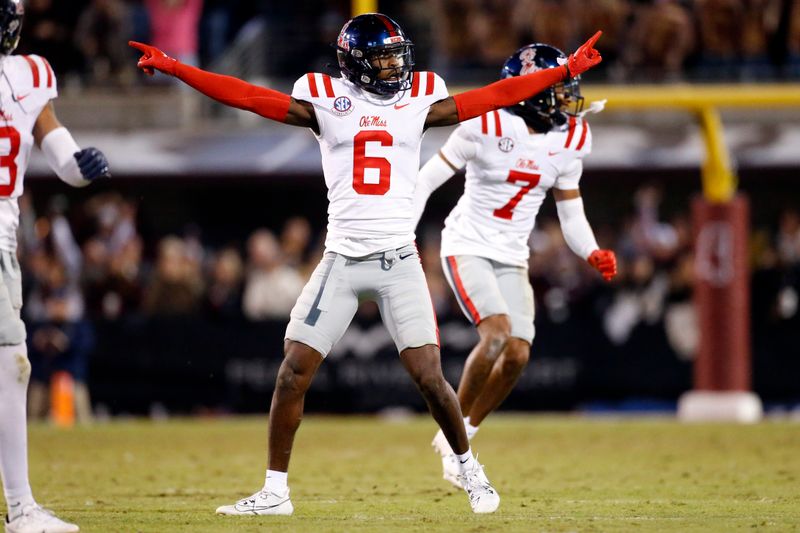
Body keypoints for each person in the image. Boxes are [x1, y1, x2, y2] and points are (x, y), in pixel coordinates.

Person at [130, 14, 603, 515]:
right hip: (342, 258)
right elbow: (246, 95)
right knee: (293, 371)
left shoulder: (418, 99)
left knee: (428, 375)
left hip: (399, 260)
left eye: (398, 56)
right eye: (383, 58)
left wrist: (562, 70)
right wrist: (180, 69)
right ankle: (274, 492)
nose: (396, 66)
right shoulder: (324, 101)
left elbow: (491, 97)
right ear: (355, 63)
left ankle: (469, 468)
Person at [412, 43, 617, 488]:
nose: (567, 96)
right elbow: (427, 179)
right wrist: (402, 228)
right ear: (530, 90)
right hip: (466, 244)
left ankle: (467, 430)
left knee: (519, 353)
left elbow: (570, 211)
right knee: (497, 334)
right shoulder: (485, 123)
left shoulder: (570, 137)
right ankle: (453, 440)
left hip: (512, 255)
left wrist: (591, 251)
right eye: (559, 86)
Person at [0, 0, 111, 531]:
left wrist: (80, 167)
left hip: (1, 242)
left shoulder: (29, 75)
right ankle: (20, 508)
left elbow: (57, 151)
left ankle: (21, 507)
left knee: (12, 366)